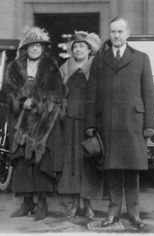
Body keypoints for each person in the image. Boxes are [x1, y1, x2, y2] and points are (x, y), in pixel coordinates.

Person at [85, 17, 154, 230]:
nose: (116, 36)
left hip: (133, 124)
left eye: (120, 32)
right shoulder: (100, 59)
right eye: (113, 32)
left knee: (132, 170)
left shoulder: (141, 58)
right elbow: (91, 94)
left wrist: (150, 124)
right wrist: (90, 123)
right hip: (107, 124)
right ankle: (113, 213)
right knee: (112, 170)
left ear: (128, 33)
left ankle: (134, 214)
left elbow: (149, 93)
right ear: (109, 34)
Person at [1, 26, 65, 221]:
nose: (35, 48)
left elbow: (57, 93)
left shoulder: (51, 66)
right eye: (31, 45)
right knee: (22, 162)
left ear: (43, 48)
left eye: (38, 45)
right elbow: (8, 91)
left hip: (43, 123)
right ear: (26, 47)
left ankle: (42, 204)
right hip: (20, 121)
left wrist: (35, 102)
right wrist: (22, 101)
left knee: (41, 161)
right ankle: (26, 203)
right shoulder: (14, 66)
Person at [57, 31, 103, 220]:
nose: (78, 49)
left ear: (89, 49)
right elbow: (57, 95)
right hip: (68, 122)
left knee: (88, 162)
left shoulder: (97, 67)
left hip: (89, 123)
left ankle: (88, 205)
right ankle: (73, 204)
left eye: (81, 46)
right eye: (75, 47)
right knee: (71, 163)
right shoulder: (63, 68)